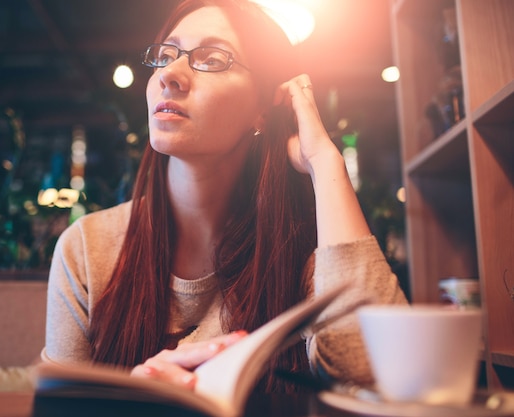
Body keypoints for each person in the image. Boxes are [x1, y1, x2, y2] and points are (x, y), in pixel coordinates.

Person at [42, 0, 408, 393]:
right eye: (165, 55)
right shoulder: (87, 248)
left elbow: (382, 373)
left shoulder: (301, 253)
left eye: (212, 59)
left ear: (263, 109)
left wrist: (324, 162)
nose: (170, 73)